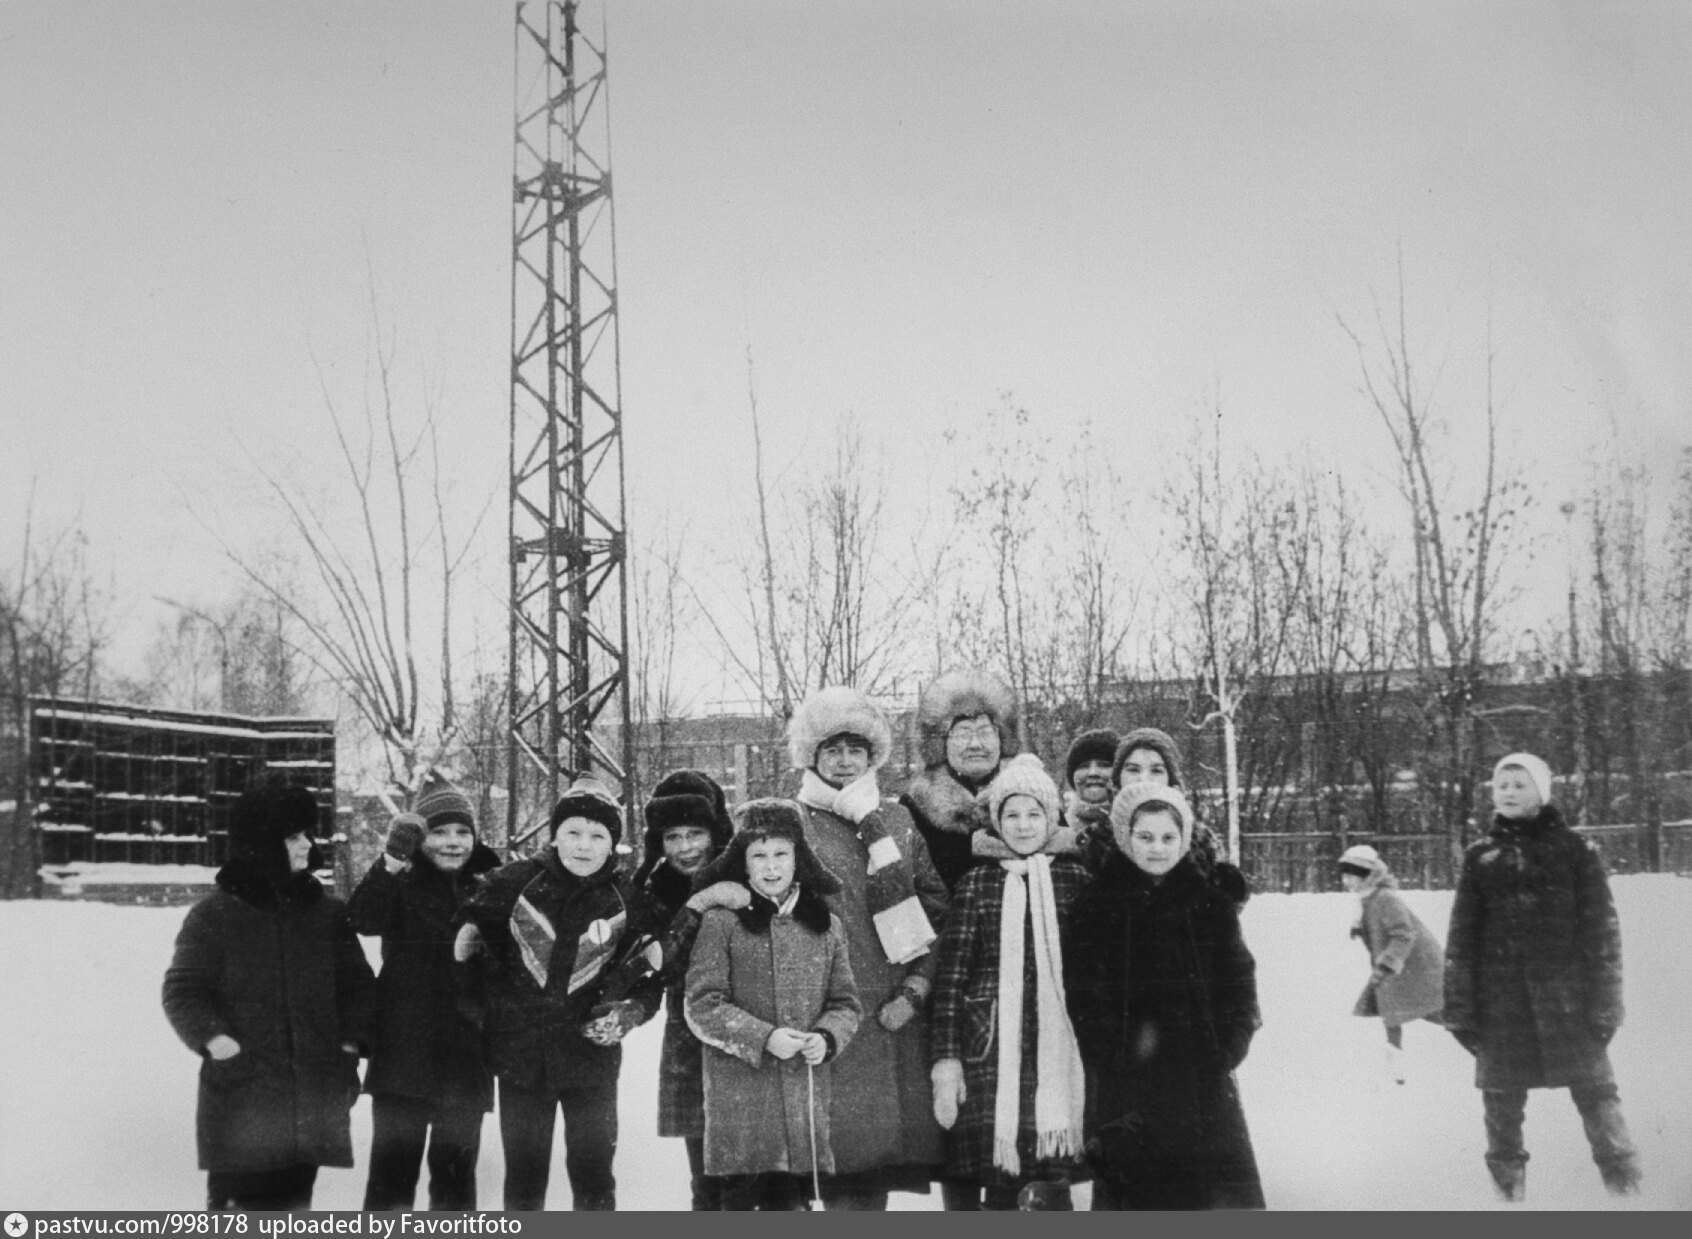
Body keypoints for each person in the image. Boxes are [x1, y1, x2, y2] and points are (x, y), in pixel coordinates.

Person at [163, 777, 375, 1212]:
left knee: (294, 1208)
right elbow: (183, 990)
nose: (308, 845)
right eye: (294, 836)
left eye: (307, 834)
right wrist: (215, 1039)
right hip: (243, 1097)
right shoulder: (214, 916)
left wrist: (350, 1044)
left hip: (312, 1095)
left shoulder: (328, 915)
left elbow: (358, 988)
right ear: (262, 845)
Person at [1444, 753, 1642, 1202]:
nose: (1509, 792)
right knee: (1501, 1111)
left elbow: (1602, 934)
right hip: (1502, 1010)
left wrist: (1606, 1007)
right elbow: (1462, 941)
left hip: (1569, 1005)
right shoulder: (1480, 858)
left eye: (1520, 784)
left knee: (1599, 1099)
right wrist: (1460, 1012)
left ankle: (1631, 1197)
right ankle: (1507, 1200)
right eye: (1502, 785)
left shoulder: (1576, 852)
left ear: (1542, 792)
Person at [454, 776, 653, 1211]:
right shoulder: (514, 883)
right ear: (555, 835)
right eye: (573, 832)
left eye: (598, 836)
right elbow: (468, 950)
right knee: (524, 1178)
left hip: (592, 1060)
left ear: (613, 844)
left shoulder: (627, 899)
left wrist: (630, 1010)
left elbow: (651, 972)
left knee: (594, 1174)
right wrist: (489, 1015)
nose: (584, 846)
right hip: (522, 1060)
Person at [787, 684, 950, 1209]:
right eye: (832, 749)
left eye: (854, 749)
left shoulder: (896, 820)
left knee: (875, 1174)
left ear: (872, 755)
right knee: (831, 1171)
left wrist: (916, 988)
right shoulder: (792, 822)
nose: (843, 760)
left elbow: (936, 912)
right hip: (823, 1017)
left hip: (891, 1015)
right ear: (811, 755)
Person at [1065, 782, 1264, 1210]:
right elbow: (1081, 993)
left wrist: (1227, 1046)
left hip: (1201, 1083)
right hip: (1127, 1086)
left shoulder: (1210, 904)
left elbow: (1239, 983)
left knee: (1207, 1200)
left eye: (1168, 837)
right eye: (1145, 837)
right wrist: (1110, 1051)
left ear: (1184, 838)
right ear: (1125, 837)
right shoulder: (1096, 904)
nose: (1157, 848)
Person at [685, 799, 863, 1210]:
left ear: (799, 859)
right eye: (759, 856)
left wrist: (827, 1037)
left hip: (803, 1106)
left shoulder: (827, 926)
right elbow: (702, 1005)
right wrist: (764, 1037)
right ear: (742, 863)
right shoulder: (721, 922)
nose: (771, 867)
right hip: (742, 1109)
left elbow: (846, 1003)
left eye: (781, 854)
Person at [930, 755, 1088, 1210]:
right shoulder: (977, 882)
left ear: (1051, 817)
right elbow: (952, 977)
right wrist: (946, 1060)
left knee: (1051, 1178)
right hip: (994, 1046)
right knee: (1003, 1176)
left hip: (1058, 1044)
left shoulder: (1076, 878)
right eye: (1011, 815)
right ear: (997, 822)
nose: (1022, 825)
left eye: (1033, 814)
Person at [347, 784, 502, 1211]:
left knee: (455, 1182)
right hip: (404, 1051)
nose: (453, 842)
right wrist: (391, 861)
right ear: (420, 838)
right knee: (391, 1179)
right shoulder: (402, 880)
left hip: (466, 1053)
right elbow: (361, 918)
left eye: (462, 832)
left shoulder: (494, 884)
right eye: (439, 832)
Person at [608, 769, 741, 1210]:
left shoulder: (751, 875)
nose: (685, 848)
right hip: (691, 1040)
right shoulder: (653, 890)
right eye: (672, 837)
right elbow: (654, 968)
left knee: (762, 1183)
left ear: (716, 833)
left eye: (695, 833)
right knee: (705, 1182)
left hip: (755, 1032)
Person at [1075, 727, 1250, 908]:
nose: (1144, 778)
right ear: (1117, 781)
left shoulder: (1202, 846)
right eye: (1133, 769)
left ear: (1172, 781)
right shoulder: (1094, 845)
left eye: (1156, 770)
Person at [901, 668, 1019, 891]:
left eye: (985, 732)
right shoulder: (914, 809)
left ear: (1002, 740)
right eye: (963, 733)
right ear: (942, 744)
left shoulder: (1032, 793)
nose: (975, 745)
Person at [1336, 844, 1444, 1086]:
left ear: (1367, 875)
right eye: (1344, 875)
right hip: (1396, 966)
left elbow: (1404, 934)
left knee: (1435, 1011)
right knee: (1392, 1012)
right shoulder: (1368, 897)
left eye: (1351, 876)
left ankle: (1481, 1042)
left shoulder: (1385, 898)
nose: (1346, 881)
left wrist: (1387, 964)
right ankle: (1395, 1067)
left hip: (1415, 966)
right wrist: (1359, 927)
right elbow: (1375, 922)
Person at [1060, 727, 1118, 833]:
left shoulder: (1140, 826)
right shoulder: (1056, 831)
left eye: (1104, 765)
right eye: (1083, 766)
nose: (1093, 773)